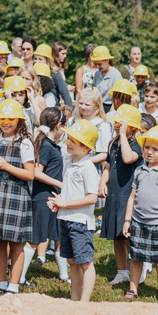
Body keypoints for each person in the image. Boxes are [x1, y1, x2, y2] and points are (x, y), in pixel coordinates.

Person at [121, 125, 158, 302]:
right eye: (147, 147)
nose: (150, 152)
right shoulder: (139, 171)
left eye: (155, 149)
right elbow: (132, 197)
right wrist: (127, 220)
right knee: (136, 258)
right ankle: (133, 289)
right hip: (138, 223)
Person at [47, 120, 100, 302]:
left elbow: (92, 197)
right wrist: (58, 201)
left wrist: (66, 204)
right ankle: (75, 299)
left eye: (73, 141)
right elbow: (69, 192)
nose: (68, 142)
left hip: (80, 221)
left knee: (85, 262)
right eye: (68, 138)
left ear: (85, 147)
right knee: (72, 261)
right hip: (66, 218)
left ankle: (84, 302)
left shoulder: (88, 168)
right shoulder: (69, 163)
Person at [0, 99, 35, 295]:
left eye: (11, 119)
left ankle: (14, 286)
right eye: (2, 119)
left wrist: (6, 166)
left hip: (17, 195)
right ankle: (1, 283)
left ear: (20, 121)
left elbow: (30, 174)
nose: (6, 122)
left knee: (16, 243)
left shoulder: (25, 143)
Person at [100, 105, 145, 286]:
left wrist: (125, 136)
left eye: (122, 123)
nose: (117, 126)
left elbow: (128, 158)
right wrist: (103, 181)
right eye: (117, 123)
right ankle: (121, 272)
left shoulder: (137, 145)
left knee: (130, 236)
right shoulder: (113, 143)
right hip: (115, 196)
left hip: (129, 196)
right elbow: (108, 167)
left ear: (132, 127)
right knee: (117, 237)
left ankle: (138, 268)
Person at [21, 108, 65, 286]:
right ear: (59, 125)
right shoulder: (46, 145)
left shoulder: (49, 144)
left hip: (53, 197)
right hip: (43, 198)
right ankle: (20, 277)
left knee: (58, 236)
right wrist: (60, 184)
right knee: (34, 239)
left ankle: (64, 275)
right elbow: (37, 173)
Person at [90, 46, 122, 113]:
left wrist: (110, 114)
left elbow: (117, 98)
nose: (97, 67)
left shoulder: (116, 75)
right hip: (97, 106)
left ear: (107, 60)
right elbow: (94, 90)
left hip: (110, 107)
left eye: (100, 64)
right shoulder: (97, 73)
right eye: (96, 64)